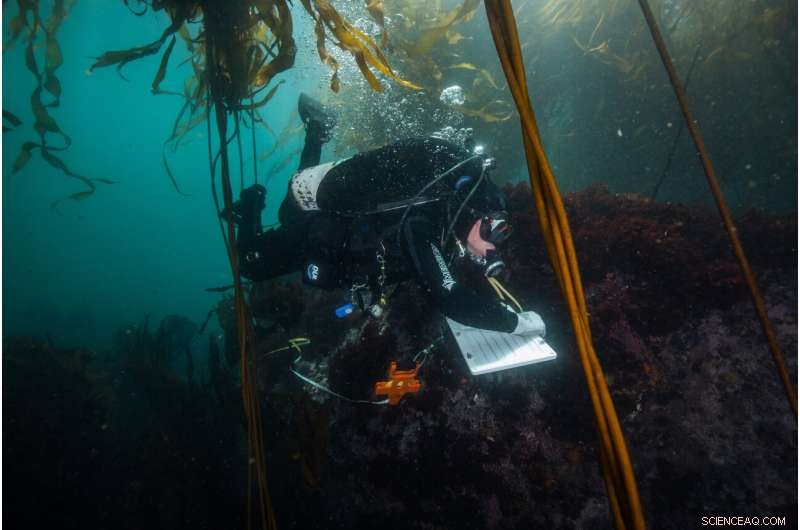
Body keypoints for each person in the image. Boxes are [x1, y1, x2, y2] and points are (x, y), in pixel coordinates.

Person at [228, 93, 545, 336]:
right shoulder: (424, 222)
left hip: (334, 226)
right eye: (492, 233)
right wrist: (517, 323)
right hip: (315, 236)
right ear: (475, 213)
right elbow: (450, 298)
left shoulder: (447, 208)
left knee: (291, 211)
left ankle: (316, 132)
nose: (491, 249)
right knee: (252, 265)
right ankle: (251, 205)